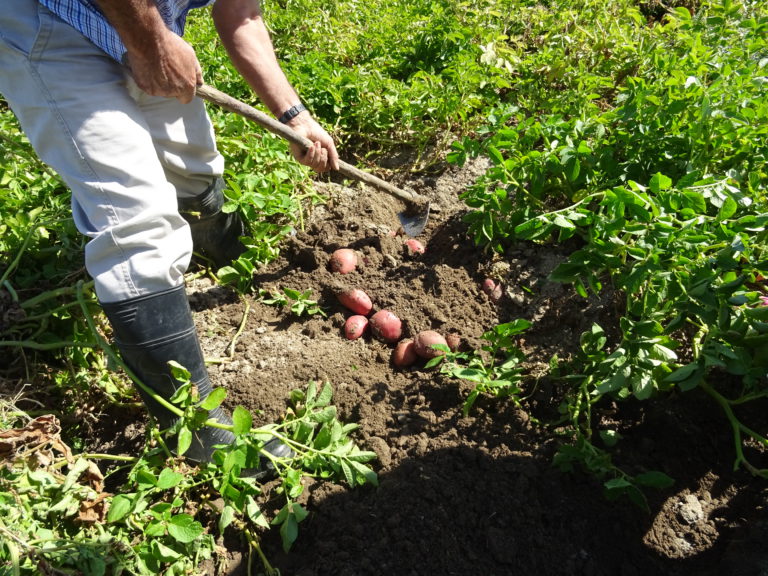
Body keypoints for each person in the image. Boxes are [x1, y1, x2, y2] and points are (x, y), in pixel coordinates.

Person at [0, 0, 340, 463]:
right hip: (50, 21)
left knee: (193, 170)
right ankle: (194, 427)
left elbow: (240, 13)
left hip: (147, 21)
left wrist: (293, 116)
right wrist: (153, 44)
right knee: (138, 222)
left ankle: (215, 247)